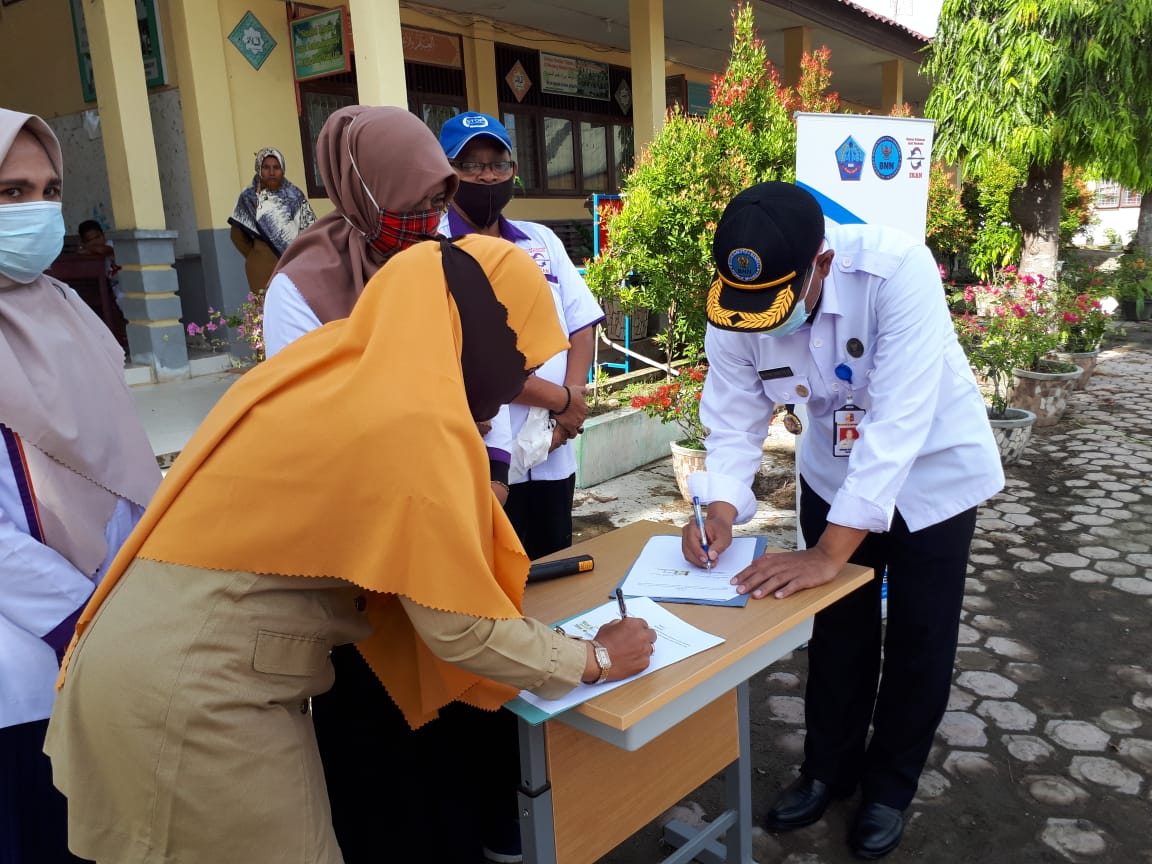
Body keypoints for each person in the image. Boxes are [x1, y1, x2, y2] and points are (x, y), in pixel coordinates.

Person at [45, 233, 658, 864]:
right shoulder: (412, 419)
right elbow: (463, 629)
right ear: (471, 324)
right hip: (200, 698)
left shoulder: (336, 363)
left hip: (136, 659)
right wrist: (595, 658)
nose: (514, 381)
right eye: (513, 348)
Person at [681, 182, 1004, 859]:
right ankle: (827, 771)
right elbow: (734, 417)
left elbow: (898, 423)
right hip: (833, 470)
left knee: (920, 634)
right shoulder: (736, 304)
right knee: (837, 632)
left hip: (932, 474)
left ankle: (888, 788)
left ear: (821, 263)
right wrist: (718, 509)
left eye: (779, 303)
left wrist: (828, 554)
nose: (762, 325)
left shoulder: (895, 270)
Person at [0, 107, 161, 863]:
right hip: (27, 665)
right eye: (11, 192)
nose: (37, 211)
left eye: (49, 191)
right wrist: (81, 621)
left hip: (111, 637)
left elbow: (118, 465)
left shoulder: (68, 309)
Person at [438, 111, 603, 560]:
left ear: (513, 170)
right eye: (469, 165)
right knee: (493, 574)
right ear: (446, 174)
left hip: (553, 452)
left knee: (554, 566)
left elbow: (581, 321)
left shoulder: (540, 240)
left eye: (498, 164)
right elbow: (472, 360)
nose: (486, 176)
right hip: (486, 458)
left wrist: (571, 402)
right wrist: (560, 400)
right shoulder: (433, 251)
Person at [228, 147, 316, 298]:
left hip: (292, 265)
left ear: (283, 169)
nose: (272, 172)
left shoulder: (295, 195)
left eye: (276, 167)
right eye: (266, 167)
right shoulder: (248, 197)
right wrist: (256, 254)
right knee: (265, 307)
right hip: (261, 268)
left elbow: (309, 230)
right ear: (259, 169)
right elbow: (237, 236)